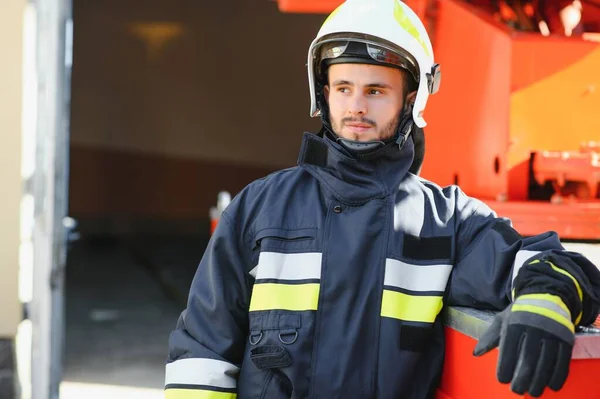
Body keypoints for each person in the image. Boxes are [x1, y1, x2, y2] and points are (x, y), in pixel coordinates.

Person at [164, 1, 600, 398]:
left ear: (412, 99)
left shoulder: (446, 222)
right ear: (323, 93)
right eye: (343, 88)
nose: (356, 106)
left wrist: (547, 301)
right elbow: (202, 353)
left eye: (375, 91)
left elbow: (546, 263)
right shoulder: (259, 210)